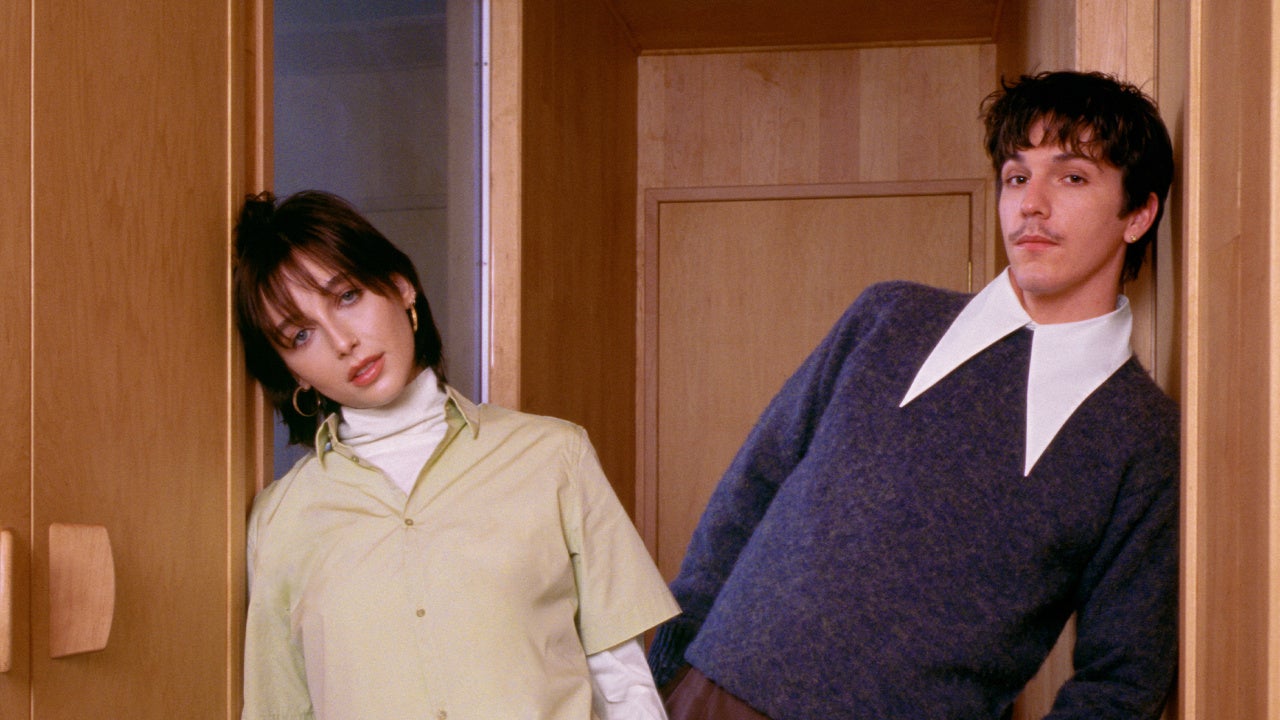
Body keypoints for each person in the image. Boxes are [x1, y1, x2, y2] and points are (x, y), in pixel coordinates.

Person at [646, 70, 1179, 720]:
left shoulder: (1142, 436)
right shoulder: (889, 319)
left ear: (1138, 214)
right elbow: (747, 493)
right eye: (1016, 177)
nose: (1031, 205)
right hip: (709, 698)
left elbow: (1124, 680)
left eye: (1071, 177)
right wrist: (664, 679)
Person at [234, 190, 679, 719]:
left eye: (348, 296)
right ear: (292, 372)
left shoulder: (554, 456)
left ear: (401, 285)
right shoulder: (280, 520)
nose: (342, 341)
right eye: (301, 335)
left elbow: (621, 682)